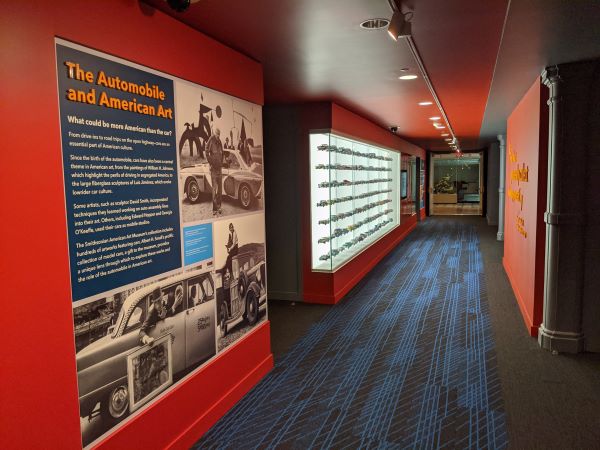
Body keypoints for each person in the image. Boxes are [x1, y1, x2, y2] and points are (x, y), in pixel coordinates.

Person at [206, 128, 224, 216]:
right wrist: (211, 162)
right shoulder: (211, 139)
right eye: (217, 134)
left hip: (219, 169)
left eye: (219, 135)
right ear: (214, 133)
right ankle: (214, 209)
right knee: (214, 189)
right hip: (213, 169)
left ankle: (219, 206)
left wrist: (221, 163)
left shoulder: (219, 141)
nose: (218, 136)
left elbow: (222, 153)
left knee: (220, 189)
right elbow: (206, 151)